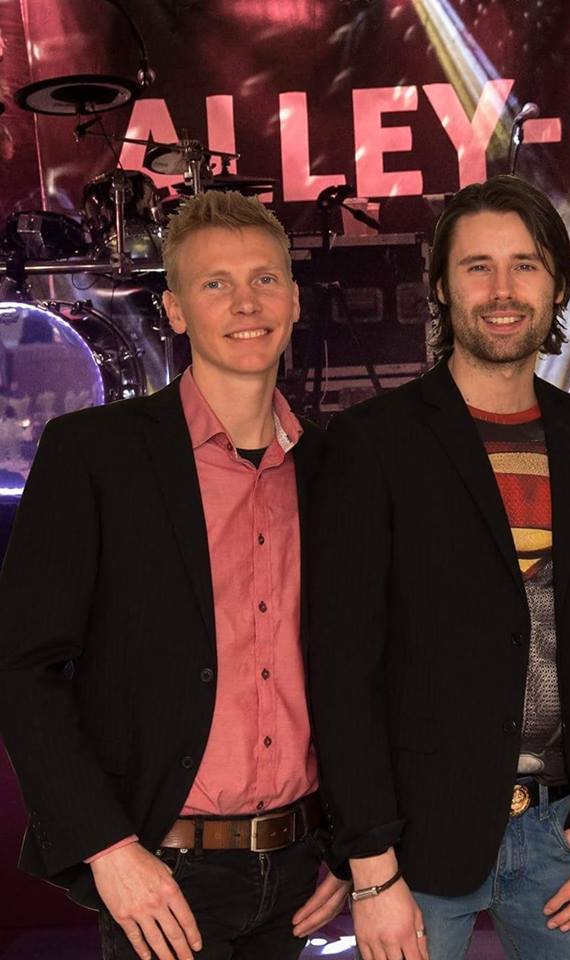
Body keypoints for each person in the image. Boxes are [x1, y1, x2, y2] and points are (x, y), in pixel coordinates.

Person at [311, 174, 570, 960]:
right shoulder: (373, 443)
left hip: (567, 837)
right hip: (416, 846)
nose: (502, 291)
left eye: (525, 265)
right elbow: (342, 671)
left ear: (558, 284)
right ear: (440, 285)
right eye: (478, 266)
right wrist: (370, 864)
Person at [0, 190, 349, 960]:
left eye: (264, 279)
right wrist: (107, 849)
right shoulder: (95, 454)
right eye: (215, 283)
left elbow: (353, 667)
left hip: (299, 871)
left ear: (294, 301)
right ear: (176, 310)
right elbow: (21, 666)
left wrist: (351, 843)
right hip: (161, 872)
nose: (245, 303)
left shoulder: (332, 467)